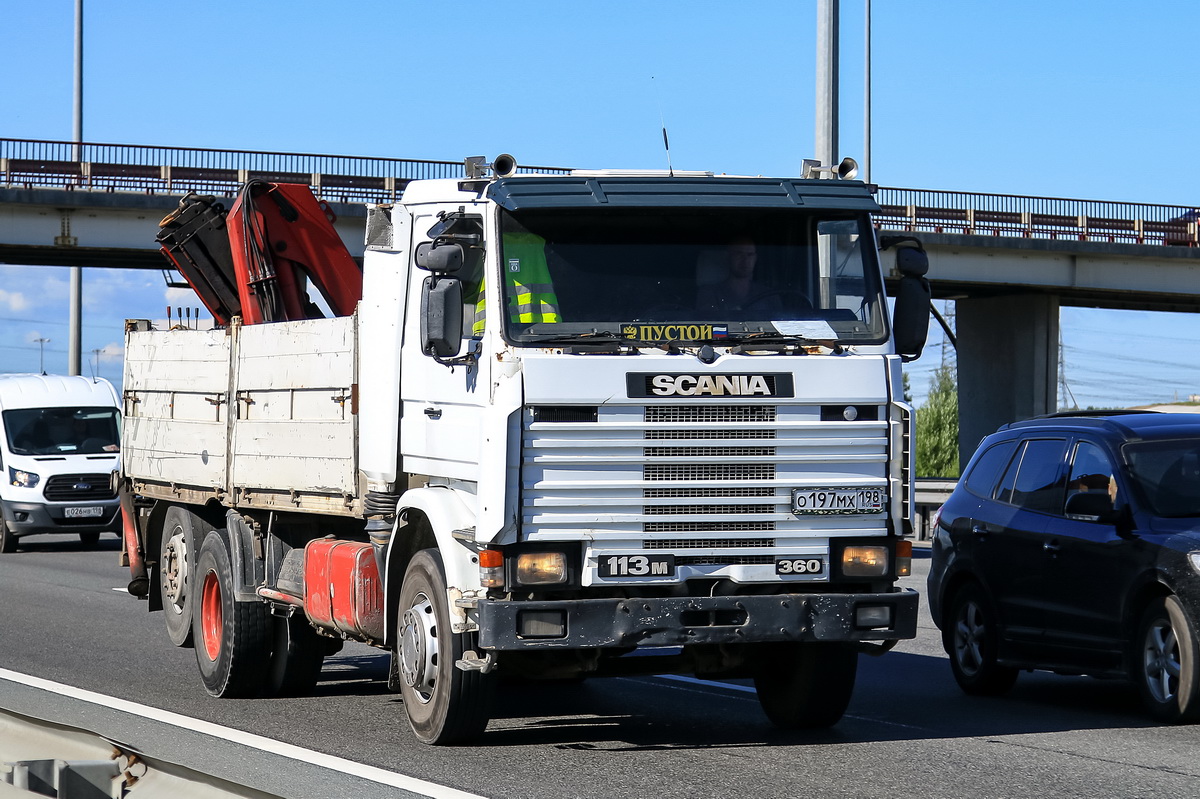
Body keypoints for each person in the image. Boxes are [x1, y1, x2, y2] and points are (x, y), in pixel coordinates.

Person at [695, 236, 782, 316]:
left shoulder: (769, 295)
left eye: (750, 255)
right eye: (739, 254)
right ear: (728, 256)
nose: (745, 260)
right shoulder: (709, 293)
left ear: (755, 258)